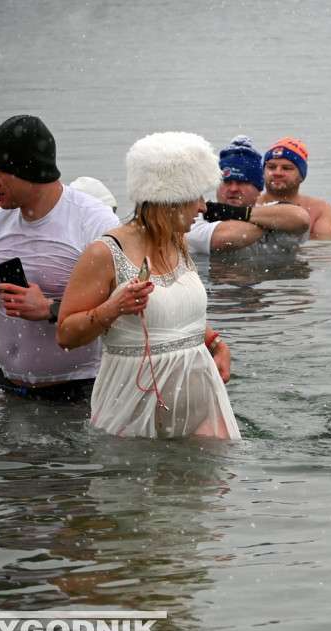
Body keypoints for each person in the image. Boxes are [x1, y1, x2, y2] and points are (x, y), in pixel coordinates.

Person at [56, 131, 240, 439]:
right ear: (171, 200)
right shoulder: (105, 253)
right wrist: (113, 308)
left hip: (203, 409)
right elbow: (65, 335)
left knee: (219, 484)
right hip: (129, 413)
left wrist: (215, 344)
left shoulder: (180, 242)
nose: (203, 207)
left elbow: (173, 314)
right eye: (196, 196)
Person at [0, 115, 120, 402]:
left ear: (26, 170)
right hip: (9, 388)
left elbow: (127, 308)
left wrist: (50, 309)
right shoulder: (0, 220)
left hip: (76, 393)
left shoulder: (93, 220)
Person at [189, 135, 310, 256]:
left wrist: (233, 212)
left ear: (258, 189)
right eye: (226, 182)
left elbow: (301, 218)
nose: (233, 189)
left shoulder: (268, 211)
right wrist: (274, 224)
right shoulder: (195, 217)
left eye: (242, 182)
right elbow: (224, 239)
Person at [259, 137, 331, 239]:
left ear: (301, 175)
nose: (277, 173)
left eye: (286, 168)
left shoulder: (319, 209)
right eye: (271, 167)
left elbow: (322, 249)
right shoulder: (249, 205)